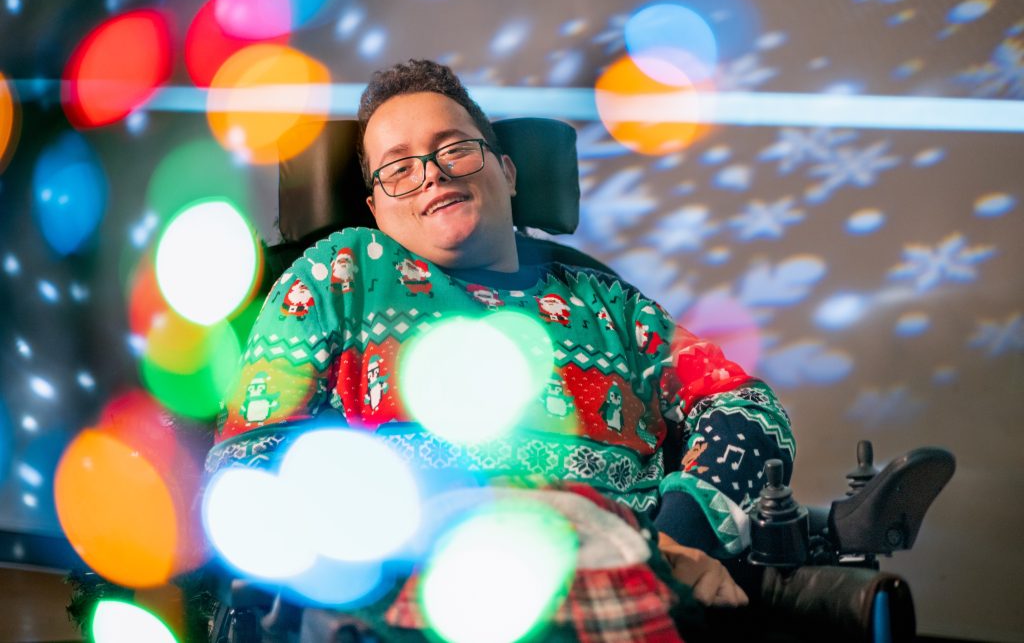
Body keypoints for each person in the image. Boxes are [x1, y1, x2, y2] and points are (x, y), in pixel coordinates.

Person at [206, 60, 795, 638]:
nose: (433, 174)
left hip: (616, 576)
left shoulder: (609, 304)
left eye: (454, 148)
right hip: (412, 584)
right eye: (399, 169)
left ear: (508, 172)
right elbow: (249, 463)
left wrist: (678, 539)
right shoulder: (342, 272)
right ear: (376, 209)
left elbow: (748, 410)